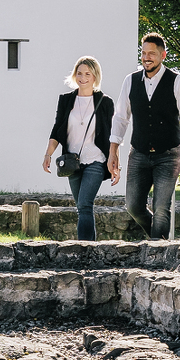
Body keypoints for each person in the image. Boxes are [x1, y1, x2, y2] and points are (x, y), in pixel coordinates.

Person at [109, 33, 180, 240]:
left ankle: (157, 254)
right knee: (132, 206)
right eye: (143, 53)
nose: (146, 57)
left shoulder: (177, 81)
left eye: (152, 53)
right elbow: (121, 118)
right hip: (139, 153)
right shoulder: (130, 81)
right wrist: (113, 151)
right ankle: (160, 241)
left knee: (161, 209)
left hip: (169, 154)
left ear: (163, 55)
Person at [42, 56, 116, 240]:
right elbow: (57, 129)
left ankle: (84, 249)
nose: (82, 77)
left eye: (87, 74)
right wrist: (48, 154)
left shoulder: (105, 102)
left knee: (84, 204)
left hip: (96, 161)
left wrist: (115, 163)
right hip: (72, 162)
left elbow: (112, 136)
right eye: (79, 73)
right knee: (82, 208)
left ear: (95, 76)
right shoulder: (66, 100)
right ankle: (91, 249)